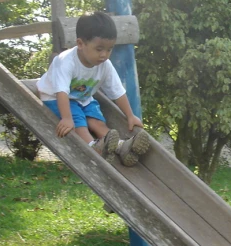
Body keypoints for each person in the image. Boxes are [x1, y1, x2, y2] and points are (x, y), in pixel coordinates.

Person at [37, 11, 149, 166]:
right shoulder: (66, 61)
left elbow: (118, 92)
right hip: (57, 97)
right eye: (99, 49)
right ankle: (94, 147)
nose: (104, 55)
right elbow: (61, 91)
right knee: (79, 122)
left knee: (97, 122)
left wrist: (130, 115)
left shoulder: (105, 66)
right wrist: (67, 119)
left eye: (109, 49)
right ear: (81, 44)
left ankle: (121, 147)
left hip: (83, 98)